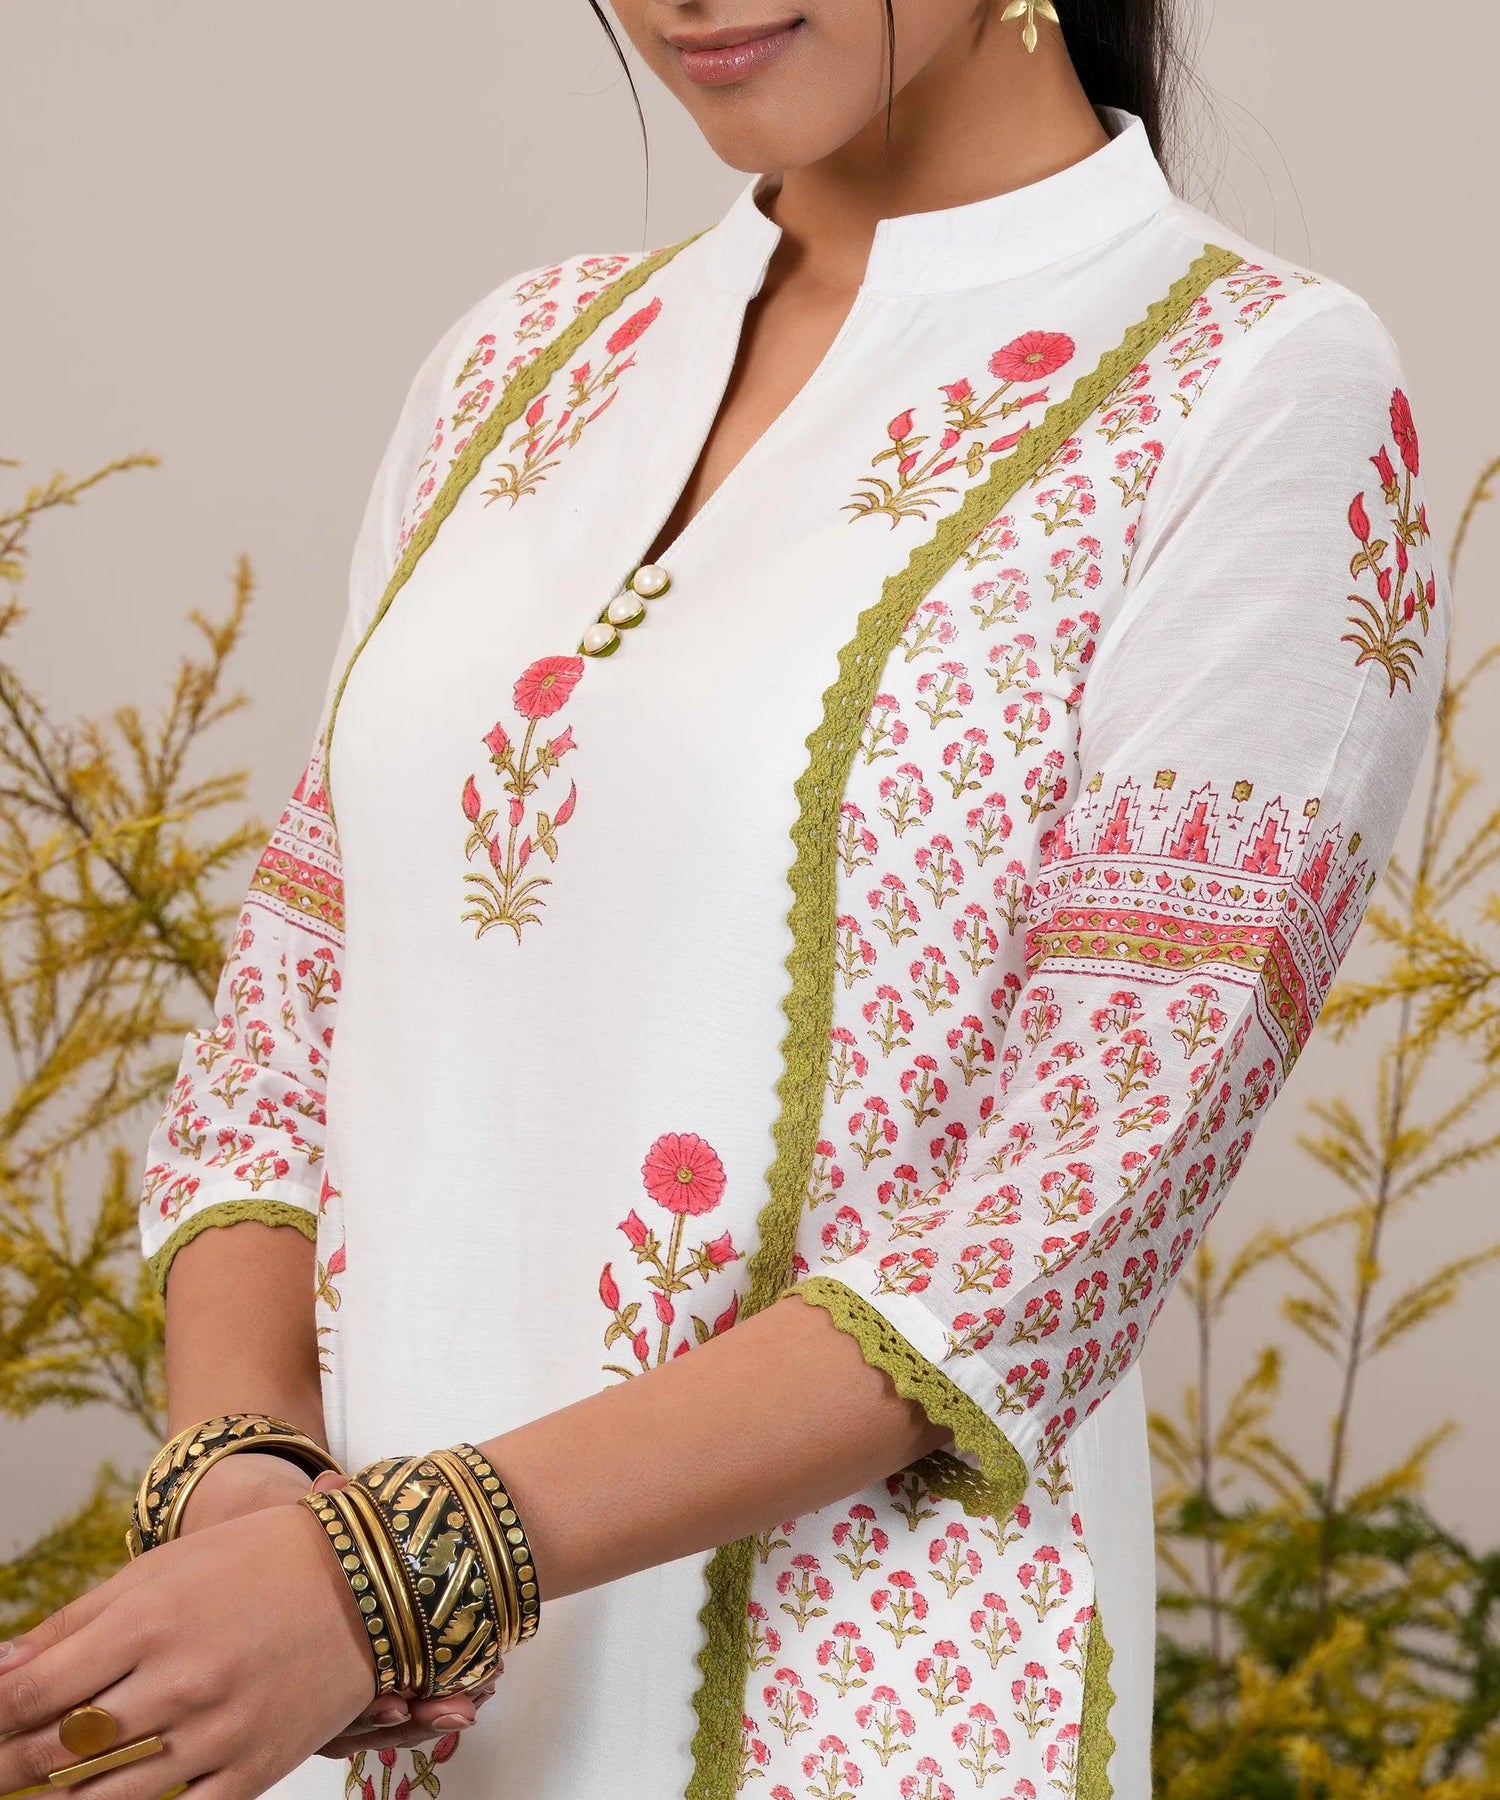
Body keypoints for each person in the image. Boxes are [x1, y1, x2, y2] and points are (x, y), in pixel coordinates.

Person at [0, 3, 1448, 1798]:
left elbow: (1060, 1221)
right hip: (329, 1708)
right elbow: (281, 1035)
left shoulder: (1251, 387)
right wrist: (249, 1498)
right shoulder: (518, 362)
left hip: (846, 1718)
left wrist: (396, 1577)